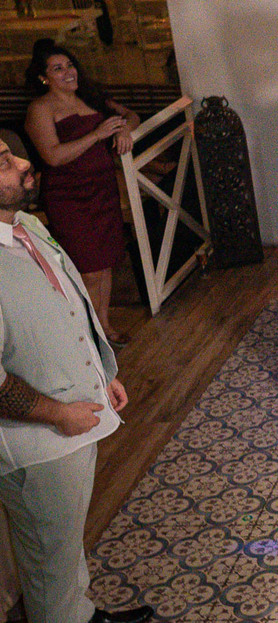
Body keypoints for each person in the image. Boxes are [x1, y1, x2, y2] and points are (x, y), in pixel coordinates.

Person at [0, 138, 152, 623]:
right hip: (37, 442)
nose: (24, 162)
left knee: (62, 547)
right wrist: (59, 414)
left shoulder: (26, 225)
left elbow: (67, 307)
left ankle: (80, 613)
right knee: (50, 563)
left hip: (69, 421)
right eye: (3, 162)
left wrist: (101, 375)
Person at [23, 42, 138, 345]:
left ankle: (105, 325)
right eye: (57, 69)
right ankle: (87, 334)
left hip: (103, 189)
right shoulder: (40, 109)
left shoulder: (91, 96)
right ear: (44, 77)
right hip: (69, 196)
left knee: (105, 262)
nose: (68, 72)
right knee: (88, 267)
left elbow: (131, 114)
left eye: (70, 65)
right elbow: (52, 156)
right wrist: (97, 135)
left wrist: (124, 129)